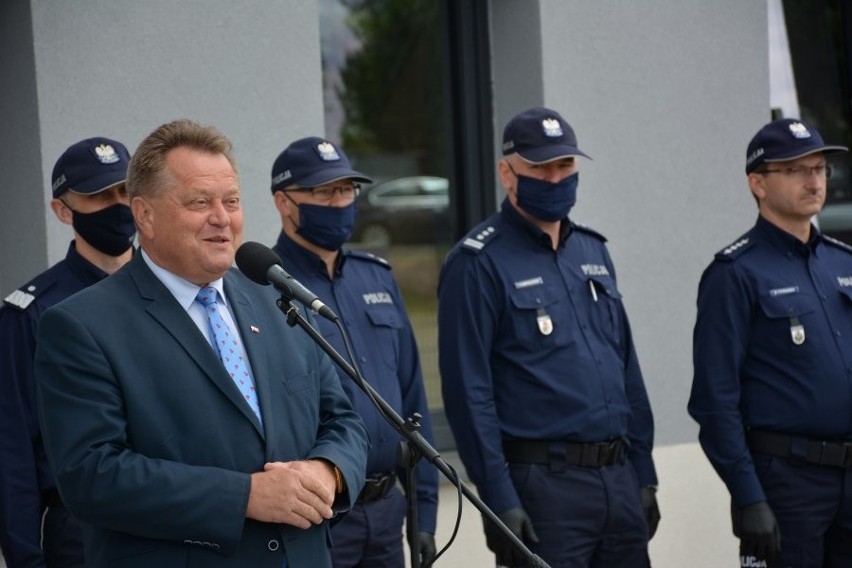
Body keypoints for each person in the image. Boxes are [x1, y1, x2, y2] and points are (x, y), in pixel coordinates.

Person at [34, 119, 369, 568]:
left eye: (231, 201)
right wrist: (244, 496)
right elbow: (91, 476)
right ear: (144, 214)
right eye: (199, 202)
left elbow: (342, 418)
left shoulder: (276, 297)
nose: (222, 218)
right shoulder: (81, 326)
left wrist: (329, 471)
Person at [437, 106, 660, 567]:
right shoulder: (477, 263)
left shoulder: (592, 252)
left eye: (565, 166)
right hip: (543, 488)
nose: (555, 178)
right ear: (507, 172)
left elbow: (625, 368)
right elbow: (468, 393)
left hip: (618, 479)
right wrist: (498, 497)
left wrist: (645, 472)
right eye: (540, 167)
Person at [689, 117, 852, 567]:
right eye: (797, 170)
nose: (813, 180)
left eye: (819, 169)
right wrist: (748, 495)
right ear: (758, 184)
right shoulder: (736, 274)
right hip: (787, 482)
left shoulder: (842, 263)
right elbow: (713, 402)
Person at [269, 136, 439, 567]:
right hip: (316, 516)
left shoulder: (376, 276)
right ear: (284, 203)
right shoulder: (260, 286)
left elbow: (411, 397)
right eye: (324, 192)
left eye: (347, 190)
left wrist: (425, 513)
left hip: (386, 510)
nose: (340, 202)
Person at [0, 136, 135, 567]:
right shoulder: (32, 311)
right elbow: (12, 447)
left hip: (182, 521)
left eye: (124, 190)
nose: (117, 205)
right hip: (82, 530)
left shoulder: (176, 291)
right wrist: (25, 558)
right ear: (63, 210)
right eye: (98, 195)